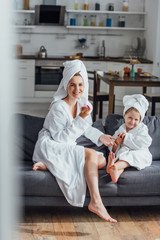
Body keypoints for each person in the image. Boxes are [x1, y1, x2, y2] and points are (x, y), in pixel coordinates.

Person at [32, 59, 117, 223]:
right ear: (65, 85)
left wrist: (101, 137)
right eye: (72, 85)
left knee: (101, 159)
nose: (77, 89)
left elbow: (85, 128)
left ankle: (51, 165)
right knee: (91, 154)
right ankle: (96, 201)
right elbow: (61, 138)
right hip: (51, 145)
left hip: (63, 145)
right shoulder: (58, 107)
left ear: (85, 85)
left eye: (80, 84)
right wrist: (80, 118)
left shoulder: (83, 105)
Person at [107, 94, 152, 183]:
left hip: (140, 153)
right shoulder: (121, 129)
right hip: (124, 152)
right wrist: (117, 143)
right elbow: (113, 145)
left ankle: (114, 166)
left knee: (130, 156)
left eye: (136, 120)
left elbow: (145, 142)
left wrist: (126, 138)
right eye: (130, 118)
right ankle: (115, 172)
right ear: (124, 116)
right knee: (122, 156)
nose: (132, 122)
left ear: (140, 120)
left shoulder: (142, 128)